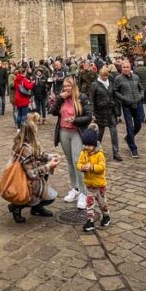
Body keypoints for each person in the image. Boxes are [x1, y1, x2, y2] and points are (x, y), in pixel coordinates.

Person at [49, 76, 93, 209]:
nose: (67, 88)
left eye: (69, 85)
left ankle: (83, 192)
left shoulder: (82, 97)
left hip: (76, 132)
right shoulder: (61, 98)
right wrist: (59, 98)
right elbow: (53, 112)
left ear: (74, 86)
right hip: (64, 132)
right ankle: (75, 188)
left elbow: (88, 116)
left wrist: (75, 120)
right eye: (65, 86)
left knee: (77, 161)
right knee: (69, 161)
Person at [6, 112, 59, 223]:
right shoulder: (26, 149)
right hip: (25, 180)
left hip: (25, 177)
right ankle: (17, 206)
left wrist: (50, 157)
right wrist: (48, 166)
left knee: (44, 171)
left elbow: (39, 155)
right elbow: (32, 174)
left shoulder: (23, 142)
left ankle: (36, 207)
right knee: (51, 196)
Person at [76, 128, 111, 232]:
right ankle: (90, 221)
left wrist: (92, 167)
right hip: (89, 185)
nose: (87, 147)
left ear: (94, 144)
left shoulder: (99, 154)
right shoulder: (84, 153)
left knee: (102, 203)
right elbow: (79, 163)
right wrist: (82, 167)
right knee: (89, 204)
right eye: (85, 145)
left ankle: (106, 216)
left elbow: (102, 167)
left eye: (89, 145)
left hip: (99, 185)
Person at [88, 64, 122, 161]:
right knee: (99, 134)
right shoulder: (95, 85)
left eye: (106, 75)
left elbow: (115, 97)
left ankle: (116, 152)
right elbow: (92, 99)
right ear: (100, 75)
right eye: (103, 75)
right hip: (100, 112)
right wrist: (92, 113)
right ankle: (95, 151)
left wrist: (117, 111)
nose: (104, 77)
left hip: (111, 112)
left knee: (114, 133)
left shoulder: (111, 83)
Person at [113, 59, 144, 158]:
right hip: (127, 106)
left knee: (138, 125)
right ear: (121, 69)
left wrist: (141, 96)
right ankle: (133, 148)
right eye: (124, 67)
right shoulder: (118, 78)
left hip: (137, 104)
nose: (126, 69)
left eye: (127, 67)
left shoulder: (136, 77)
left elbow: (141, 88)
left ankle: (128, 138)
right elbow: (115, 91)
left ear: (130, 68)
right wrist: (123, 98)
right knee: (129, 126)